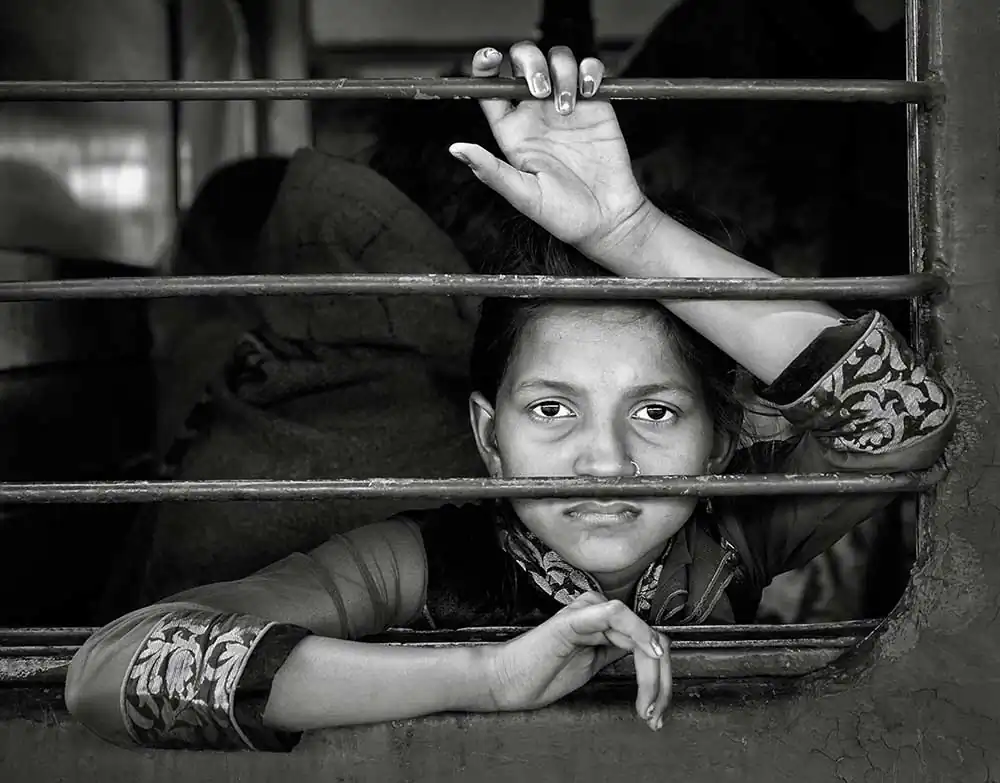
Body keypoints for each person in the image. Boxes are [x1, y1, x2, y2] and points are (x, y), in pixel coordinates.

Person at [64, 44, 955, 752]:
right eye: (551, 410)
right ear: (489, 438)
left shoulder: (732, 538)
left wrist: (630, 233)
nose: (604, 460)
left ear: (720, 440)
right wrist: (486, 676)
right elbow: (105, 671)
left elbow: (904, 417)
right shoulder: (422, 561)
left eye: (656, 412)